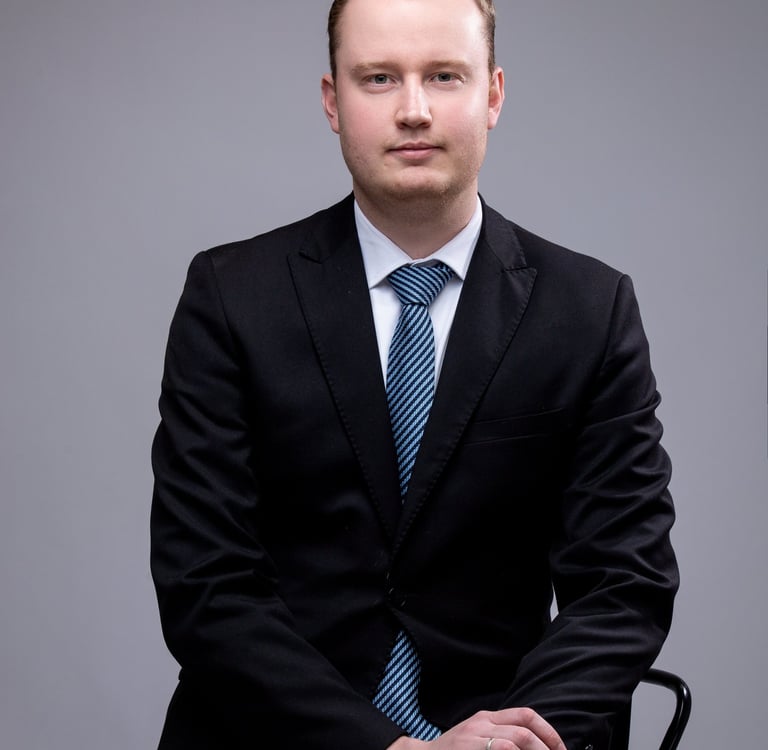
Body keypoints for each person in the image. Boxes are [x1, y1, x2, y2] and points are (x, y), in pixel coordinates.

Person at [150, 1, 678, 749]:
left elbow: (624, 582)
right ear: (332, 100)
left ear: (493, 94)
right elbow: (206, 582)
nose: (414, 110)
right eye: (378, 78)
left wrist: (514, 742)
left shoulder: (590, 309)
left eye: (444, 75)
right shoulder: (231, 296)